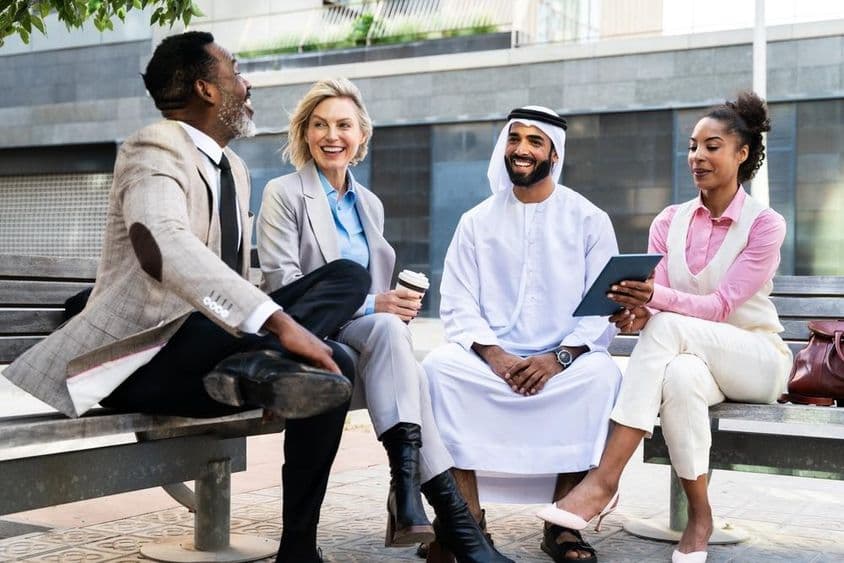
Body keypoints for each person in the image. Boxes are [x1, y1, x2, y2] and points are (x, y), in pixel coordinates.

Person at [3, 32, 371, 563]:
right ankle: (260, 365)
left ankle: (298, 549)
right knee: (309, 350)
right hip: (141, 361)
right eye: (236, 71)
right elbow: (163, 247)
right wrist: (280, 328)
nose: (248, 84)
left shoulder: (235, 169)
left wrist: (274, 343)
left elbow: (229, 282)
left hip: (208, 353)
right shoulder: (153, 146)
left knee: (341, 320)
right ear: (207, 88)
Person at [257, 77, 513, 563]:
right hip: (305, 329)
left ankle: (415, 491)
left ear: (361, 136)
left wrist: (392, 306)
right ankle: (446, 518)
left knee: (395, 336)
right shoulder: (283, 193)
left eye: (344, 125)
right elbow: (281, 285)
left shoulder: (369, 204)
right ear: (304, 133)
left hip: (358, 337)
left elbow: (376, 303)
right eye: (320, 125)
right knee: (407, 367)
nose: (332, 135)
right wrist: (377, 305)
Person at [537, 92, 792, 563]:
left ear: (742, 154)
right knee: (679, 377)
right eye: (693, 146)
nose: (697, 156)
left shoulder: (765, 224)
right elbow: (665, 312)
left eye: (712, 146)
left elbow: (718, 306)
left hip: (756, 361)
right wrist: (637, 311)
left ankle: (605, 478)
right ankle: (700, 517)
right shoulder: (669, 220)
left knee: (672, 326)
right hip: (694, 360)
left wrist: (656, 301)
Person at [422, 106, 622, 563]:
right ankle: (466, 522)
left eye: (535, 141)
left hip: (562, 362)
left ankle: (562, 527)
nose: (522, 150)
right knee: (438, 370)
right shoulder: (476, 220)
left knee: (601, 377)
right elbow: (456, 302)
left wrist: (558, 359)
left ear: (555, 152)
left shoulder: (589, 219)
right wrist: (495, 356)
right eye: (515, 140)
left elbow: (600, 312)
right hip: (491, 362)